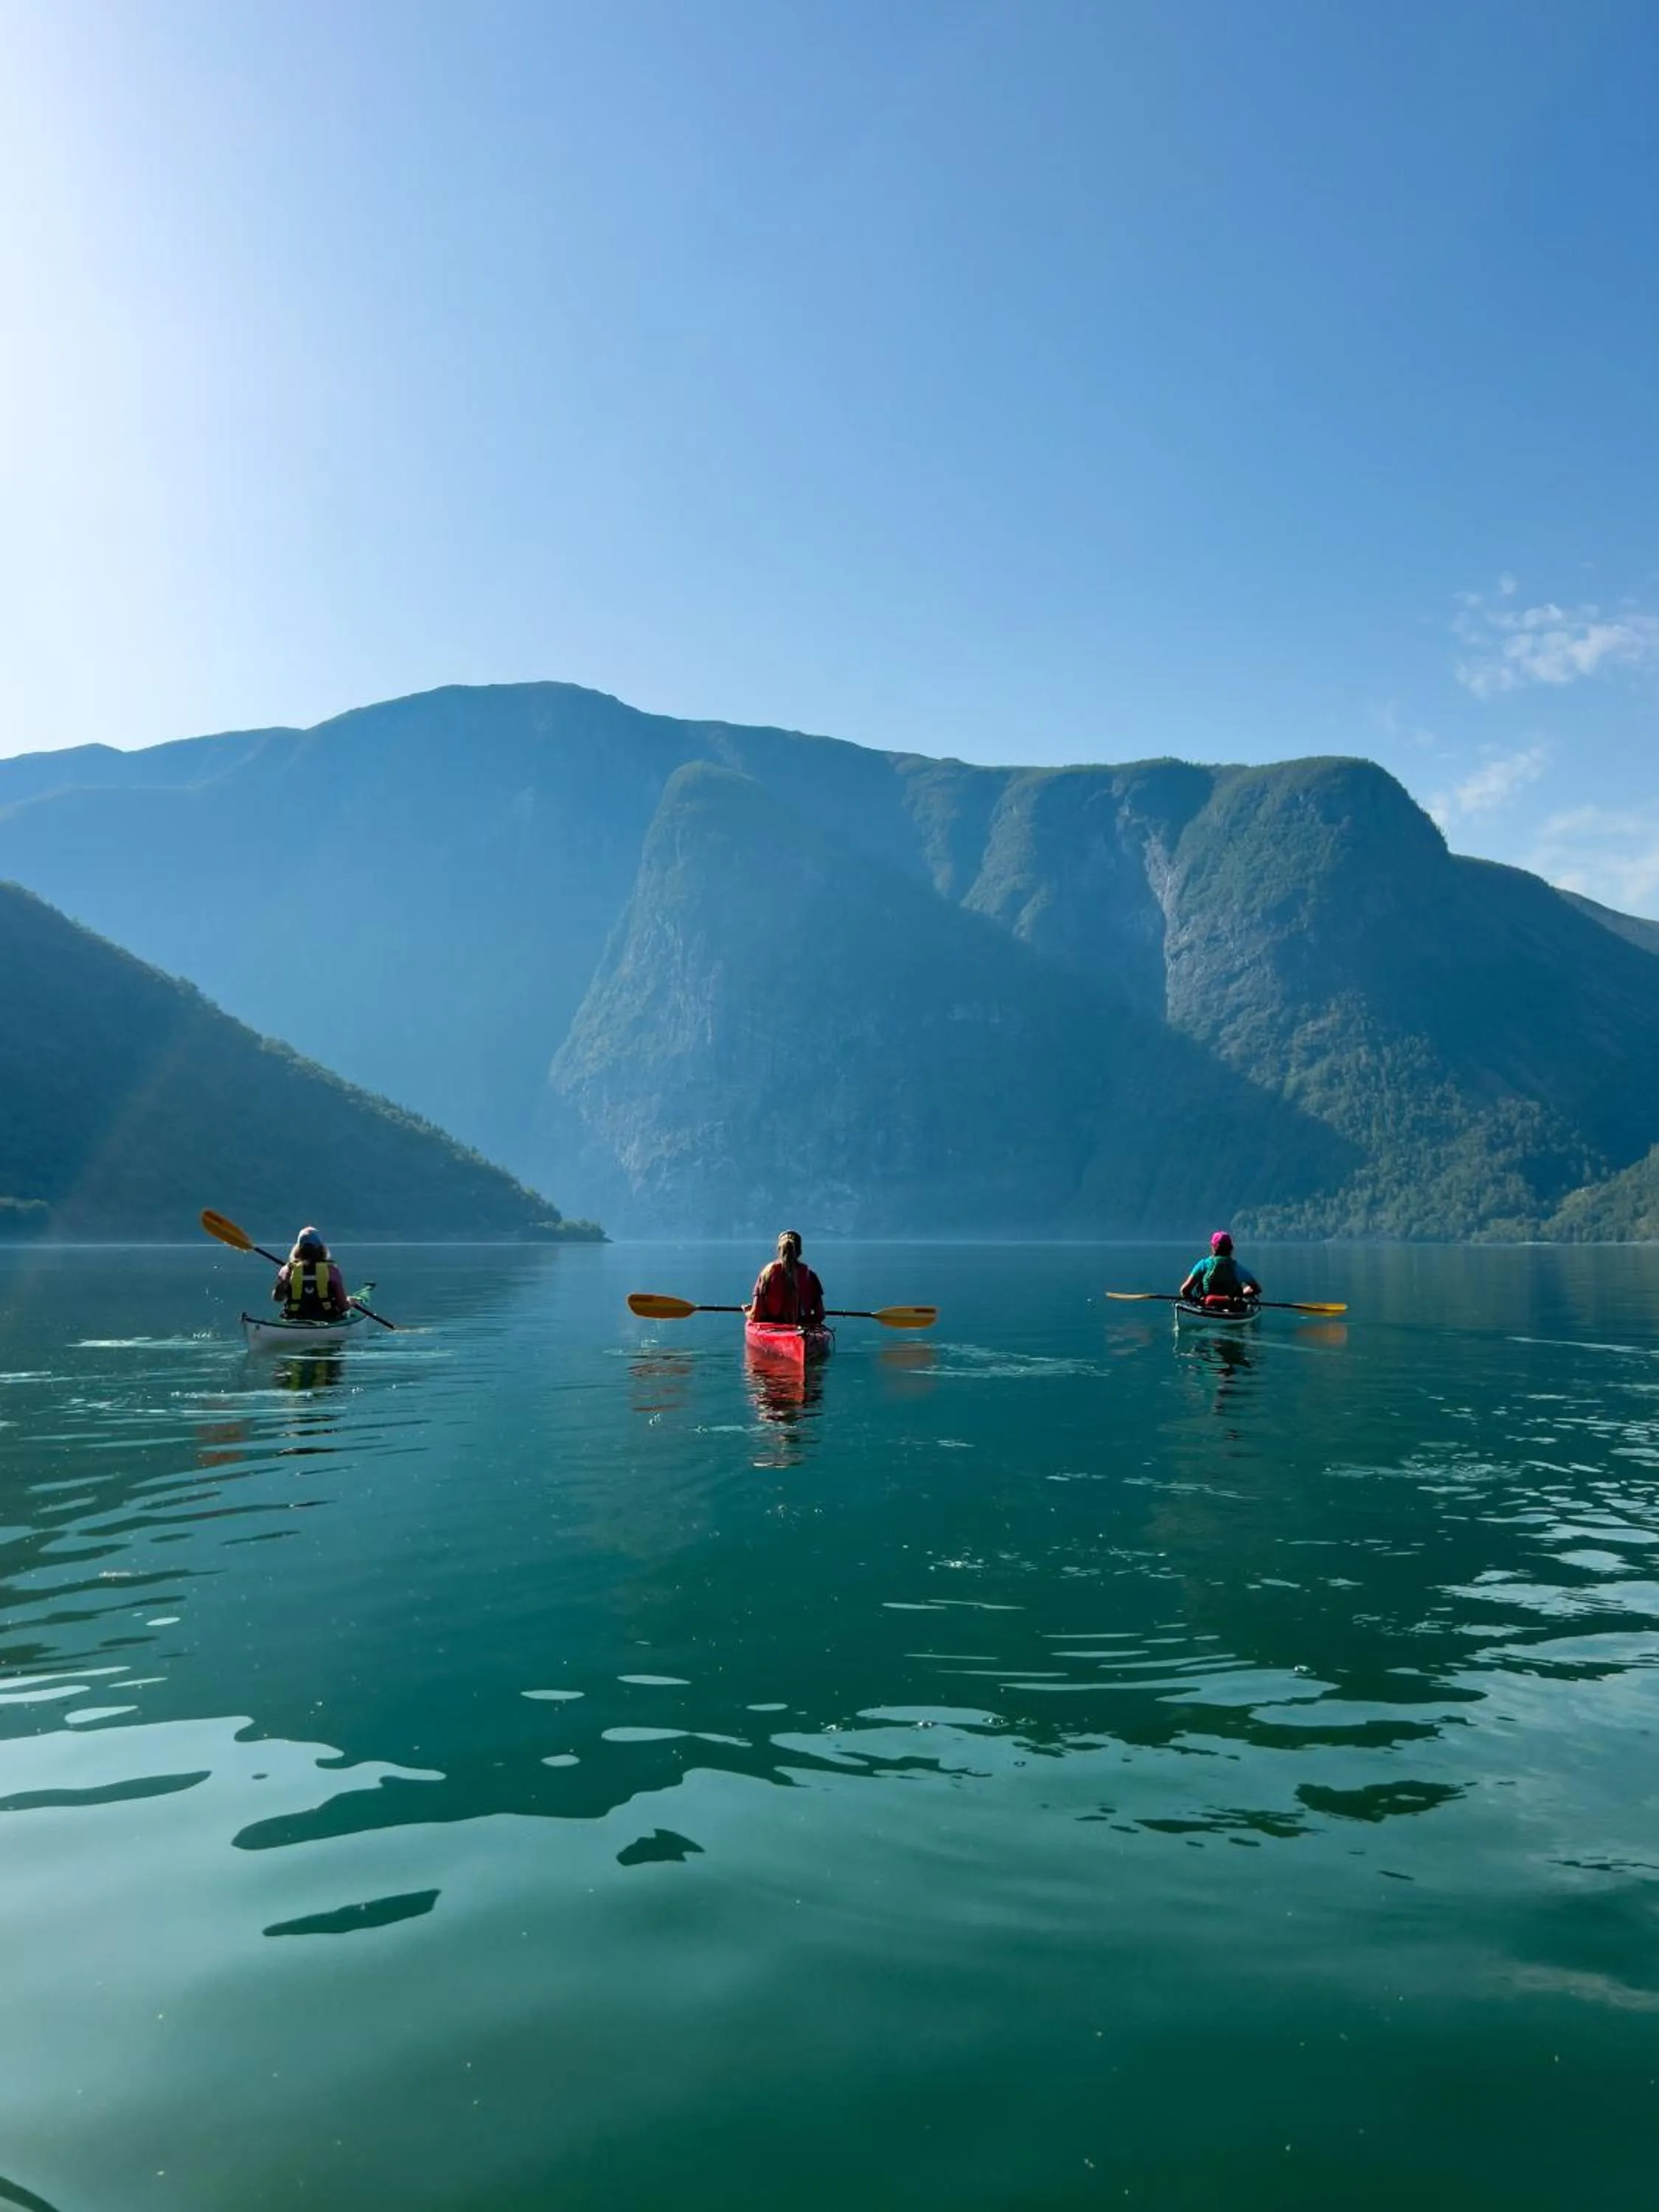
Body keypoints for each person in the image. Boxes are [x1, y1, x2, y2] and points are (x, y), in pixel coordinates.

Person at [748, 1229, 827, 1327]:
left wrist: (748, 1312)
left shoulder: (766, 1274)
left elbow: (755, 1316)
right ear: (799, 1251)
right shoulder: (811, 1276)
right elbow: (820, 1315)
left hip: (773, 1329)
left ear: (779, 1250)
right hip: (802, 1327)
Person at [273, 1227, 350, 1320]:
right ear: (321, 1248)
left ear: (298, 1248)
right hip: (326, 1318)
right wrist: (350, 1302)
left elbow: (278, 1298)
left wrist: (284, 1282)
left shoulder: (287, 1269)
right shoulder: (331, 1270)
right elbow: (344, 1306)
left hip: (294, 1318)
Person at [1178, 1231, 1261, 1308]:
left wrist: (1196, 1301)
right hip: (1231, 1307)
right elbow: (1256, 1288)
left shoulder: (1203, 1265)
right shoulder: (1238, 1268)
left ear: (1213, 1247)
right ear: (1231, 1248)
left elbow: (1184, 1291)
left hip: (1207, 1306)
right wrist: (1241, 1295)